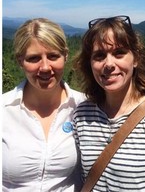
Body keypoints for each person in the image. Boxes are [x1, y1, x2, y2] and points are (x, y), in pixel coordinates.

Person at [73, 15, 145, 191]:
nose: (109, 64)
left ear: (136, 59)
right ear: (90, 63)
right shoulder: (82, 115)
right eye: (99, 55)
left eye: (119, 53)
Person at [2, 18, 86, 191]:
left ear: (66, 56)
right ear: (20, 61)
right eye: (34, 58)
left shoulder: (84, 107)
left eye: (53, 56)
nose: (45, 67)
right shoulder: (4, 109)